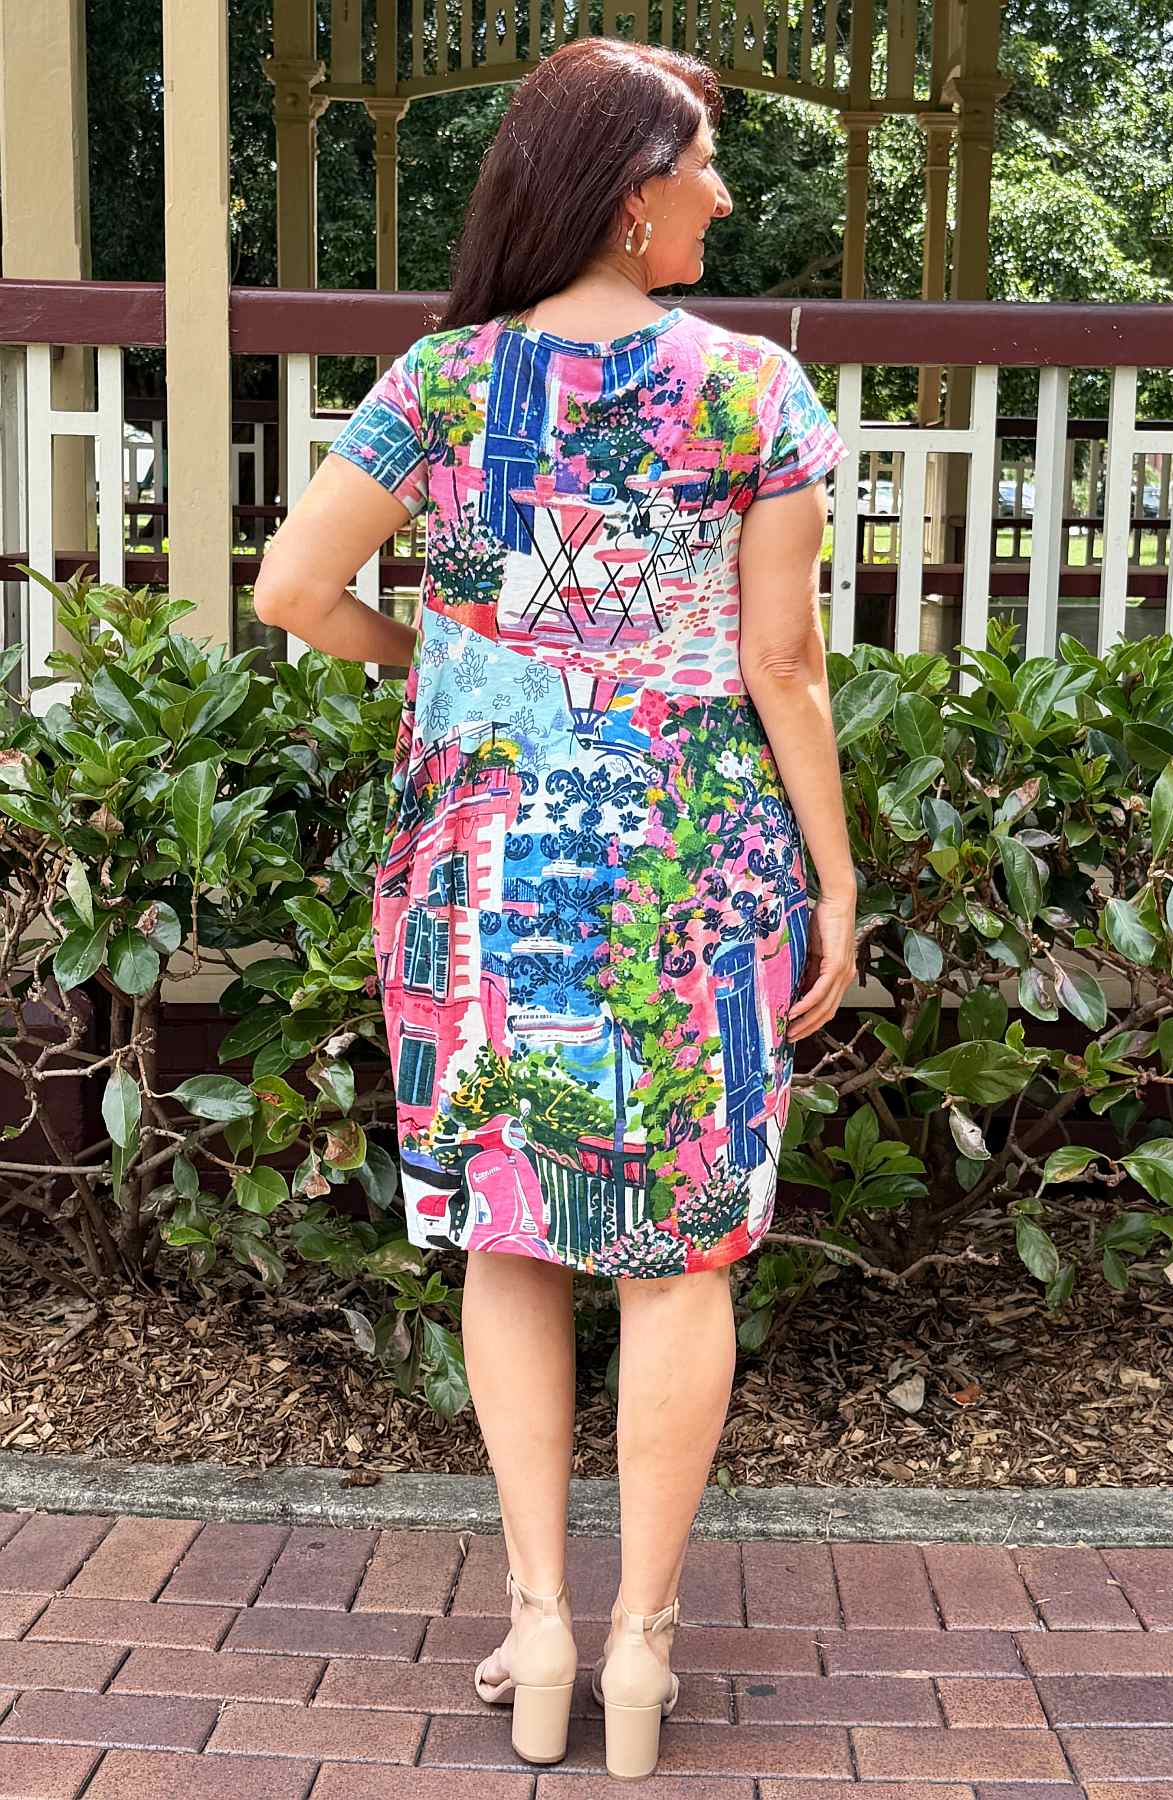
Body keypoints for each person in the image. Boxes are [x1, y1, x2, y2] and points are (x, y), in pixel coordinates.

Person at [254, 33, 858, 1782]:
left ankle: (537, 1627)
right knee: (682, 1252)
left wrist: (447, 663)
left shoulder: (442, 383)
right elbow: (783, 662)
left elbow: (292, 587)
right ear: (629, 192)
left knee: (512, 1232)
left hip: (488, 854)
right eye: (703, 162)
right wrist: (835, 877)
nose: (722, 193)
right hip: (687, 861)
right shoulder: (748, 389)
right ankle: (642, 1650)